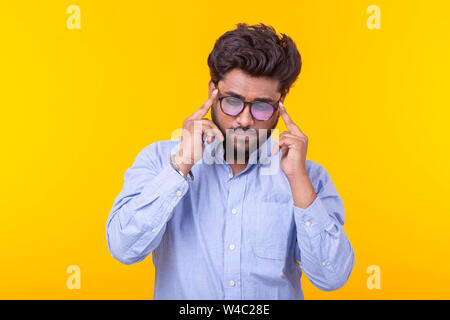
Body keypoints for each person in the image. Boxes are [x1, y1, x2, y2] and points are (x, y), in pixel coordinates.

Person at [106, 23, 354, 299]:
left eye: (262, 105)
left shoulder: (308, 176)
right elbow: (124, 248)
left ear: (280, 102)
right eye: (233, 102)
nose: (245, 120)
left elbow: (331, 277)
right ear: (213, 90)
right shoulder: (159, 160)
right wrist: (181, 165)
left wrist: (298, 181)